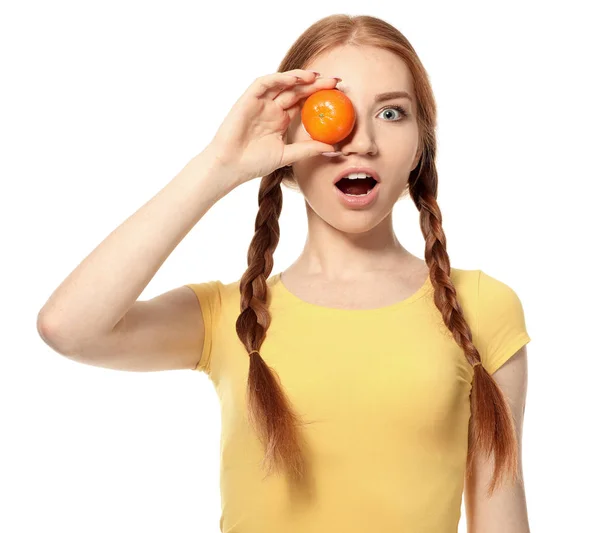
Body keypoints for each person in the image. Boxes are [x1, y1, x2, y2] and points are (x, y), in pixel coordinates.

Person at [37, 13, 532, 533]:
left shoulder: (484, 306)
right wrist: (220, 164)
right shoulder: (230, 316)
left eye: (391, 112)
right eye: (331, 111)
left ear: (419, 147)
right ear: (288, 143)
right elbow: (67, 328)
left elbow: (500, 514)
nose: (361, 141)